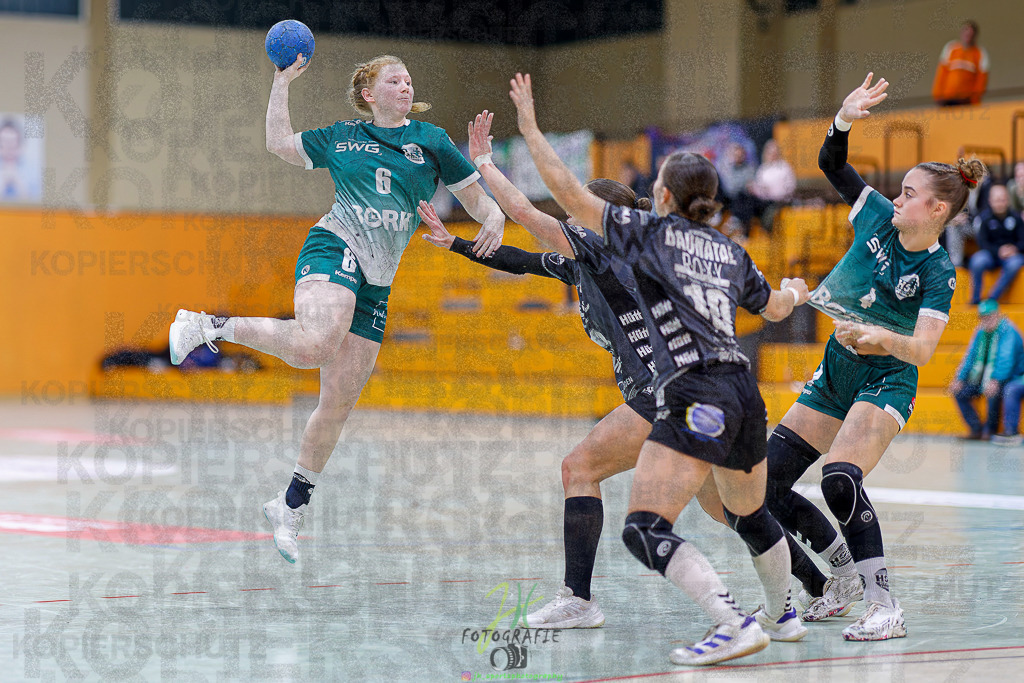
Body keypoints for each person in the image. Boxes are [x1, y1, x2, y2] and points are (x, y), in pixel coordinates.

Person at [508, 72, 814, 666]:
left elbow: (569, 193)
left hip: (695, 393)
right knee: (749, 514)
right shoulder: (730, 249)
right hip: (745, 391)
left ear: (664, 197)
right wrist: (797, 294)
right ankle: (783, 614)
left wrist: (529, 129)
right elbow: (773, 307)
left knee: (645, 528)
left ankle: (731, 621)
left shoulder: (648, 233)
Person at [167, 54, 505, 564]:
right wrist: (281, 83)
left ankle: (289, 505)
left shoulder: (432, 141)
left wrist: (495, 216)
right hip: (334, 245)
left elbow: (475, 200)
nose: (406, 85)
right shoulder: (343, 137)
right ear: (369, 93)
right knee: (315, 344)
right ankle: (207, 324)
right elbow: (279, 144)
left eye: (410, 79)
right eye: (394, 79)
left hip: (378, 280)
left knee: (339, 402)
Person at [764, 73, 985, 642]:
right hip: (839, 369)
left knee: (840, 479)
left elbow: (924, 351)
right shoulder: (875, 218)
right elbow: (833, 164)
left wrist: (878, 336)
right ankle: (837, 578)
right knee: (766, 484)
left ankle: (884, 605)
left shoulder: (938, 273)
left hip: (887, 376)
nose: (898, 197)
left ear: (937, 210)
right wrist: (843, 118)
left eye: (909, 193)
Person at [951, 300, 1024, 440]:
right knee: (960, 392)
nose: (986, 320)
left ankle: (991, 430)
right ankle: (976, 429)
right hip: (984, 376)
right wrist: (959, 379)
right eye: (983, 317)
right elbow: (970, 357)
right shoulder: (980, 333)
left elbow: (1005, 360)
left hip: (1011, 376)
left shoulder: (1008, 330)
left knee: (994, 388)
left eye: (989, 316)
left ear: (997, 315)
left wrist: (995, 379)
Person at [968, 185, 1024, 304]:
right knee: (977, 261)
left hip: (1011, 256)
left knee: (1016, 263)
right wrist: (998, 251)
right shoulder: (985, 219)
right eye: (996, 200)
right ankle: (975, 298)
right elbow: (983, 243)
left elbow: (1022, 240)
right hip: (991, 255)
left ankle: (992, 298)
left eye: (1002, 200)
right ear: (990, 201)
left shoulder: (1016, 218)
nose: (1000, 203)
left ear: (1007, 200)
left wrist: (1014, 249)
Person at [727, 140, 796, 236]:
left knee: (757, 206)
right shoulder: (763, 169)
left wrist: (772, 191)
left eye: (774, 152)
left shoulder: (784, 168)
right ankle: (740, 225)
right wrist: (756, 189)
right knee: (744, 197)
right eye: (770, 152)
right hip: (763, 199)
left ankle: (743, 228)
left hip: (778, 200)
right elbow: (758, 186)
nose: (772, 155)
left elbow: (790, 188)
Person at [932, 20, 989, 106]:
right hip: (948, 98)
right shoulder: (951, 48)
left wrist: (975, 99)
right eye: (965, 32)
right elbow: (941, 73)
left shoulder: (980, 53)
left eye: (970, 34)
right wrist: (937, 94)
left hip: (967, 100)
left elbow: (981, 80)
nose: (968, 36)